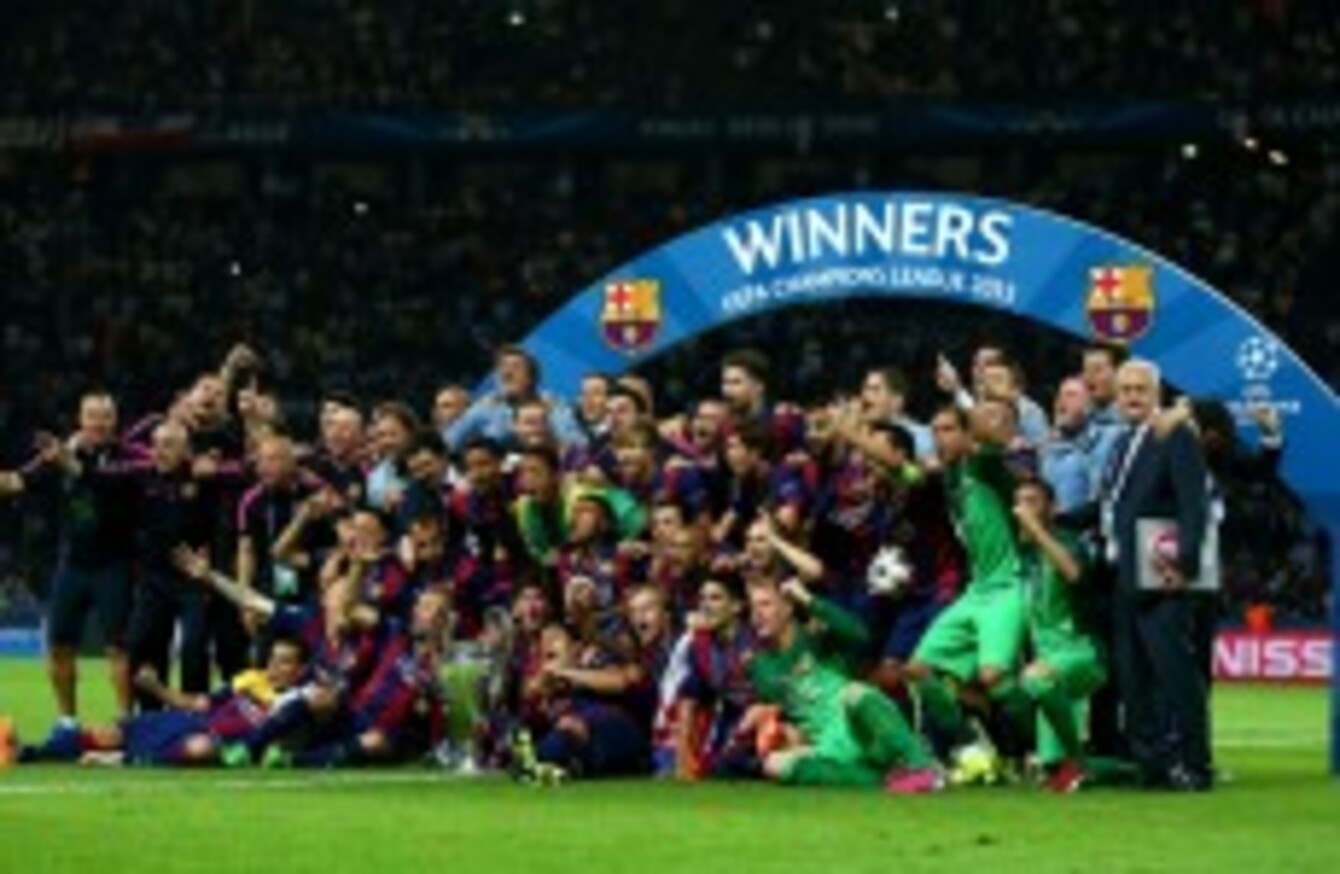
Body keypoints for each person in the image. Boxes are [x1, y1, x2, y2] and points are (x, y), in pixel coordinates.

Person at [1, 391, 139, 746]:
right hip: (73, 564)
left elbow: (103, 484)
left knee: (117, 648)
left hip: (115, 564)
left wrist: (67, 461)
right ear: (81, 419)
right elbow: (17, 482)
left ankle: (128, 723)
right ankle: (67, 721)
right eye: (92, 416)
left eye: (105, 416)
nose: (99, 423)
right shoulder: (60, 454)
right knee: (59, 645)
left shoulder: (128, 458)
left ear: (115, 420)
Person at [904, 402, 1031, 783]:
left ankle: (1033, 749)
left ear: (967, 435)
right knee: (918, 670)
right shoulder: (950, 478)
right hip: (976, 590)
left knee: (993, 677)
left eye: (948, 430)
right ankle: (970, 745)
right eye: (935, 432)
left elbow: (994, 442)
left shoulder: (983, 467)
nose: (940, 439)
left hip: (1007, 585)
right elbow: (902, 469)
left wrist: (965, 397)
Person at [1101, 359, 1212, 791]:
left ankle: (1195, 766)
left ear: (1156, 393)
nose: (1132, 397)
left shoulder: (1175, 434)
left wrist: (1185, 564)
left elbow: (1193, 504)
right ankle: (1152, 765)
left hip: (1163, 576)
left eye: (1140, 389)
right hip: (1125, 575)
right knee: (1133, 678)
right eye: (1125, 389)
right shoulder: (1123, 442)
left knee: (1175, 676)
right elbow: (1113, 506)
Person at [745, 577, 942, 793]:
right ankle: (881, 781)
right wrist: (766, 717)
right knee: (773, 765)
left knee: (855, 692)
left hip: (864, 730)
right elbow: (782, 712)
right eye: (753, 607)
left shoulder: (816, 637)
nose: (757, 614)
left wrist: (809, 600)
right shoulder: (759, 665)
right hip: (827, 744)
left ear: (788, 608)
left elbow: (859, 635)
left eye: (766, 604)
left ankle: (922, 766)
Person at [1013, 478, 1105, 793]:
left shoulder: (1069, 542)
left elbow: (1074, 573)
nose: (1023, 510)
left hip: (1083, 652)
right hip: (1047, 660)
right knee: (1052, 768)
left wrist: (1037, 531)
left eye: (1033, 502)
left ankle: (1078, 759)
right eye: (1019, 502)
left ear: (1052, 509)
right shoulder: (1021, 555)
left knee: (1035, 679)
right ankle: (1133, 770)